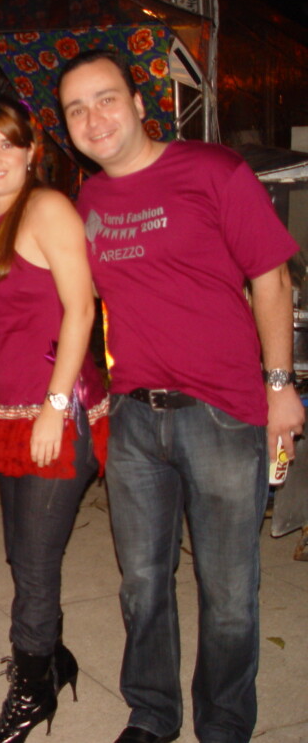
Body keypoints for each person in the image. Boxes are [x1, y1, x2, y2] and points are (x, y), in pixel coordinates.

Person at [58, 50, 303, 743]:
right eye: (76, 109)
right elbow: (73, 297)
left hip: (222, 414)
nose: (94, 119)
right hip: (135, 417)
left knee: (228, 592)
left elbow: (272, 279)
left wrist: (280, 386)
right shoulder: (90, 201)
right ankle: (152, 714)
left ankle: (223, 725)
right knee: (141, 583)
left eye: (106, 99)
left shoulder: (213, 170)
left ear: (140, 104)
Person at [0, 95, 107, 743]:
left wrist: (54, 405)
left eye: (7, 144)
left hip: (59, 409)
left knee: (37, 565)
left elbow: (81, 309)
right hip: (13, 408)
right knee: (22, 555)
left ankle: (30, 693)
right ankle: (52, 659)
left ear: (30, 153)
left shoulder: (46, 208)